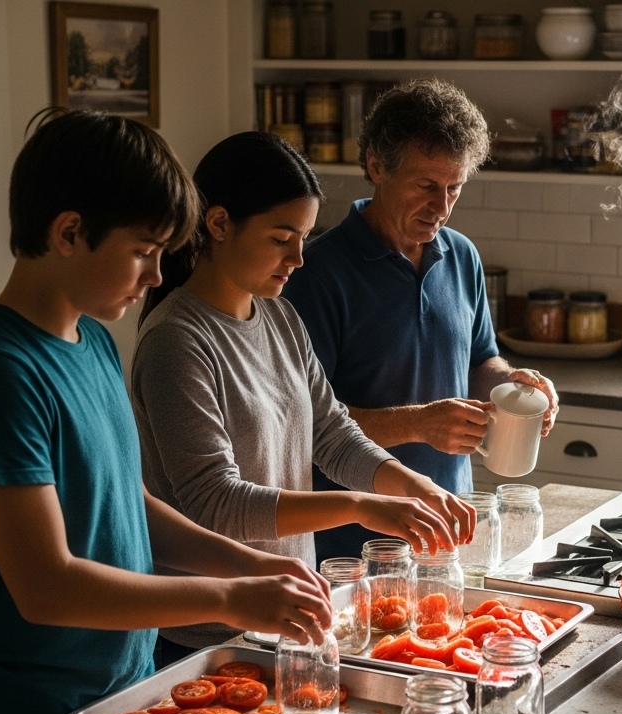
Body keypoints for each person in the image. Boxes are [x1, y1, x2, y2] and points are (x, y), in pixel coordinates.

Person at [0, 110, 333, 714]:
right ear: (68, 232)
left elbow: (125, 502)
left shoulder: (92, 341)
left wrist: (249, 562)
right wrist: (232, 596)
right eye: (144, 251)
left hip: (119, 699)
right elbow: (46, 586)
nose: (154, 276)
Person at [131, 132, 475, 666]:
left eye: (304, 237)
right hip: (204, 639)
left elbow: (332, 434)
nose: (298, 257)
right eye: (280, 238)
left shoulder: (279, 317)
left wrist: (414, 486)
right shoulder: (176, 341)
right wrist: (362, 504)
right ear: (218, 224)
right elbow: (215, 502)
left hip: (286, 617)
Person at [283, 79, 560, 561]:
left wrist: (512, 383)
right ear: (376, 167)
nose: (442, 207)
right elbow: (303, 426)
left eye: (455, 188)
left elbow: (480, 359)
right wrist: (419, 424)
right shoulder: (316, 272)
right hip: (351, 548)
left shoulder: (462, 255)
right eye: (426, 186)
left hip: (448, 528)